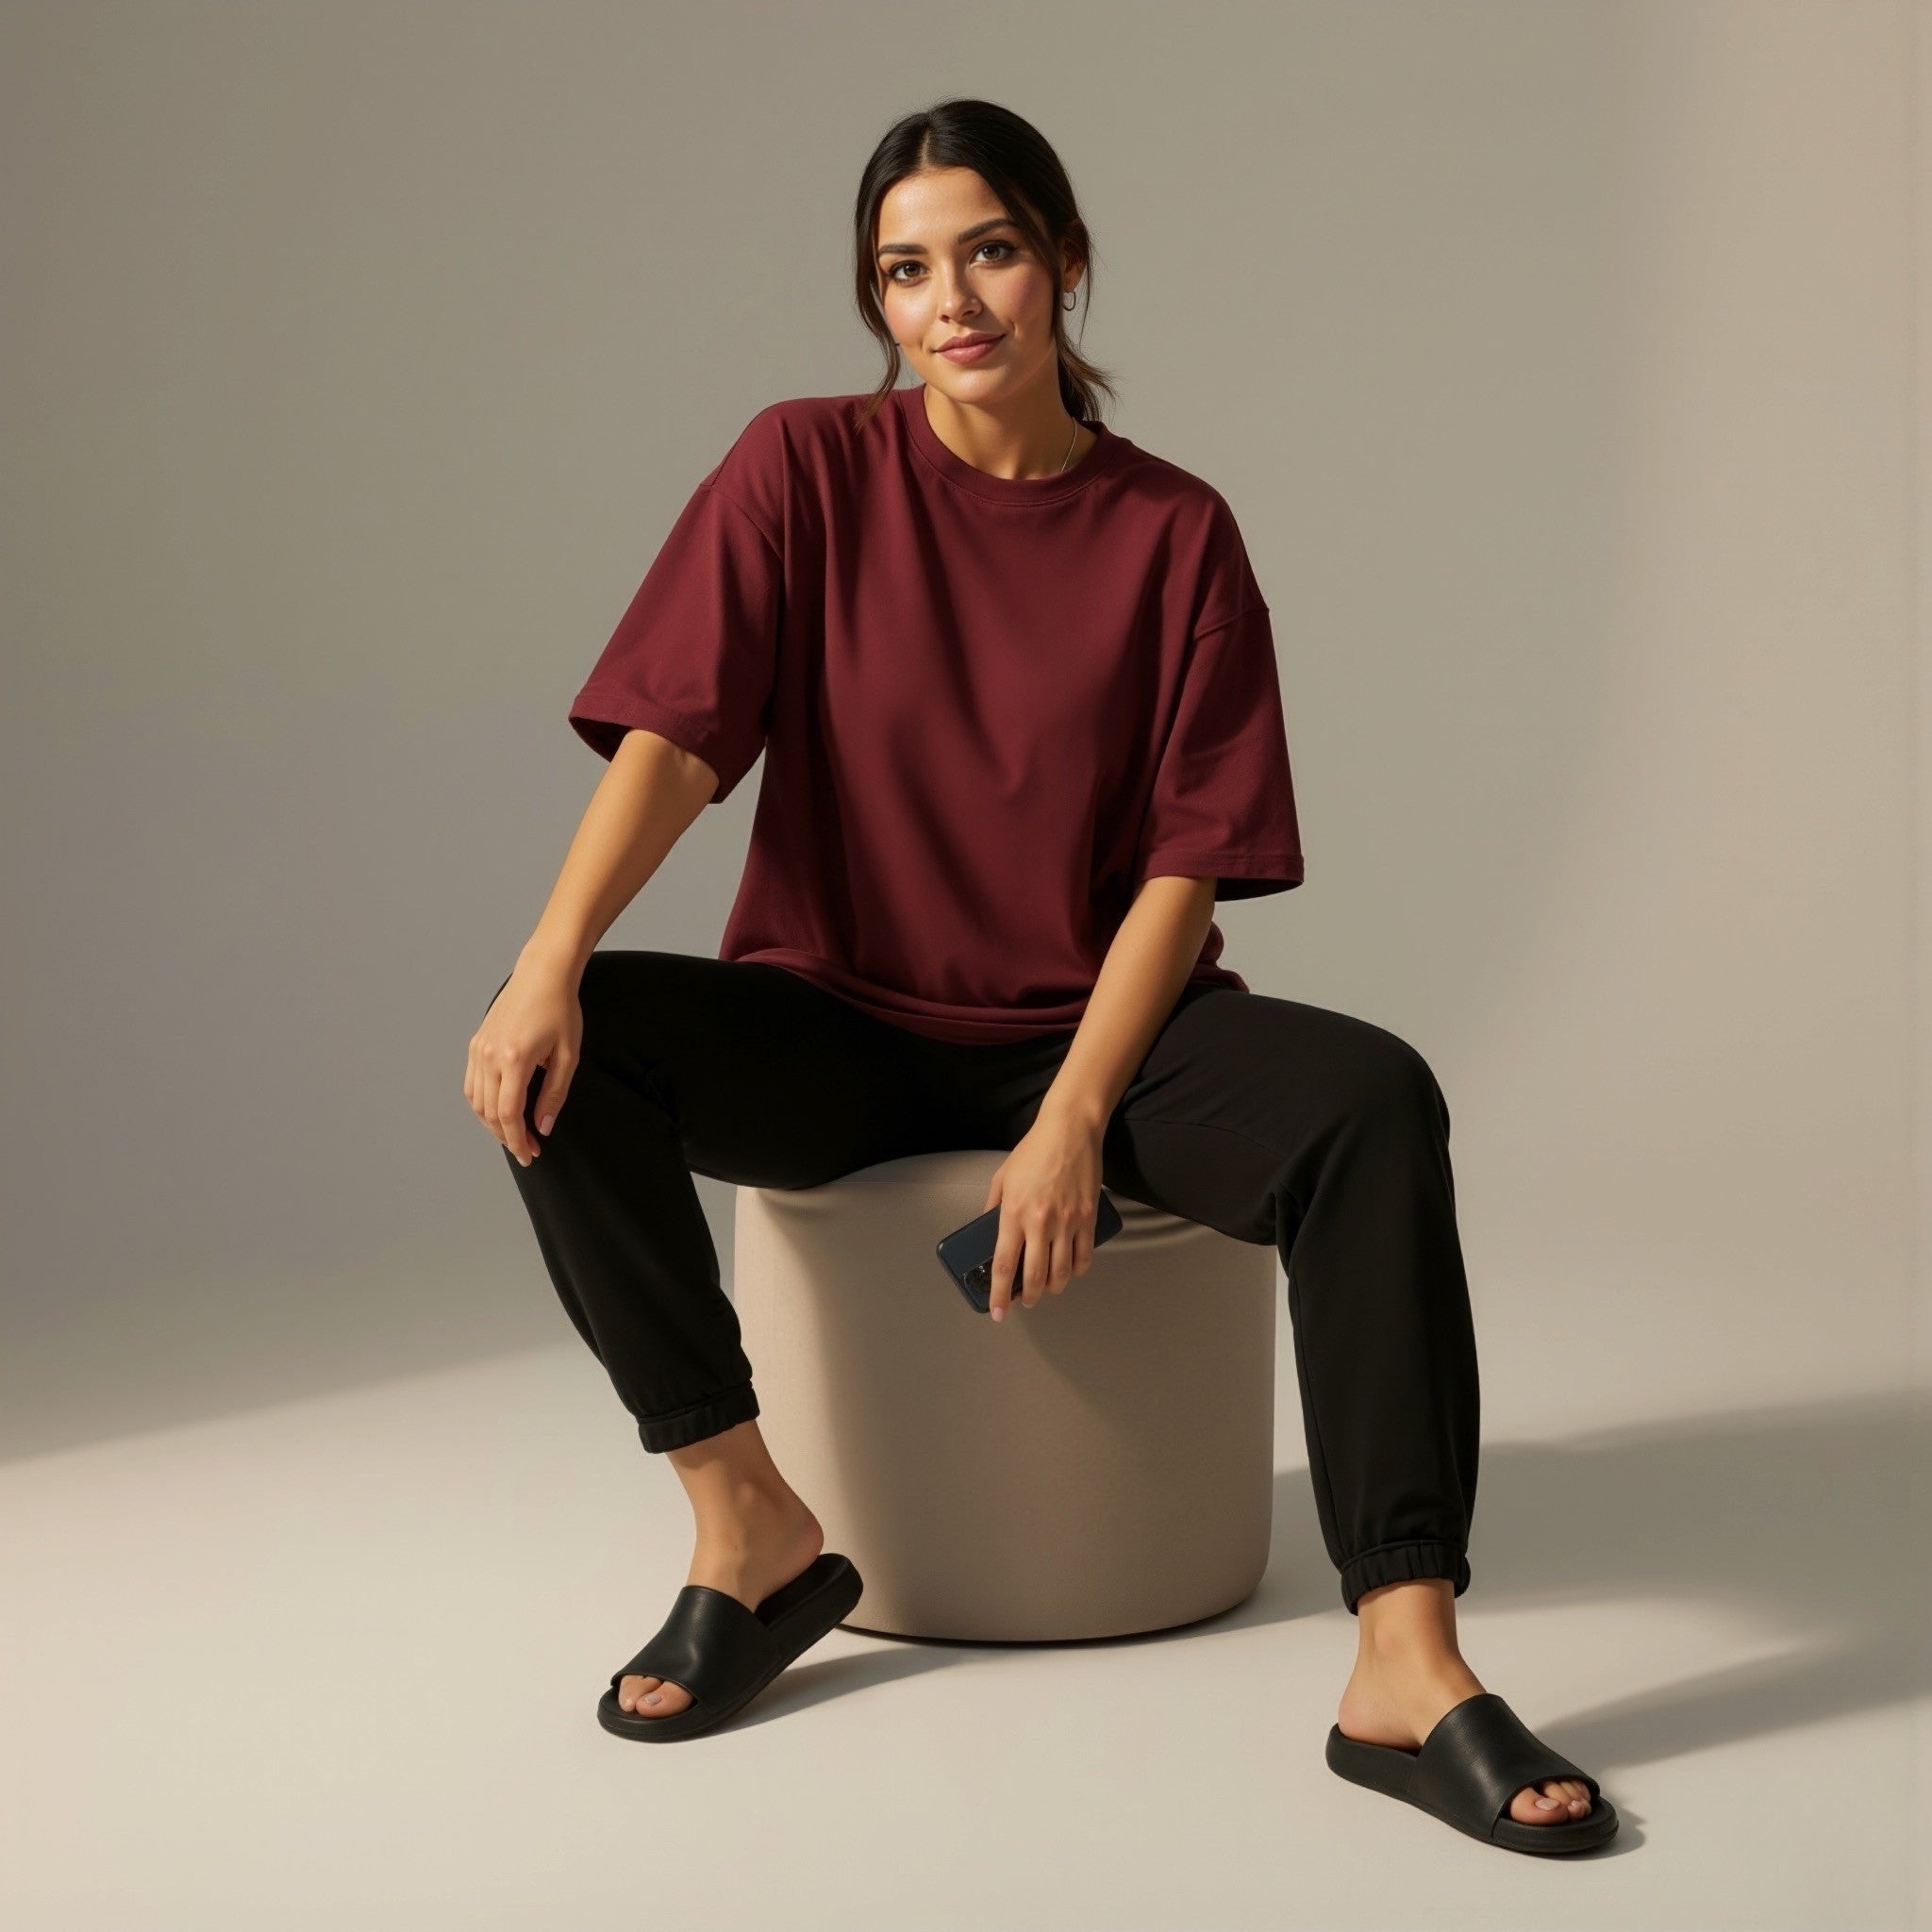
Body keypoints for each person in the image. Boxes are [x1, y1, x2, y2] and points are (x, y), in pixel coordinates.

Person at [463, 97, 1615, 1855]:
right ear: (877, 299)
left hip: (1107, 1036)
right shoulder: (802, 471)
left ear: (1065, 263)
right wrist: (545, 960)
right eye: (904, 270)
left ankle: (1405, 1653)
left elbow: (1186, 861)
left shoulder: (1177, 532)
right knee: (569, 1046)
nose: (951, 302)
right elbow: (679, 739)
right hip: (840, 1023)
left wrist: (1073, 1114)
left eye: (989, 251)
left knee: (1372, 1101)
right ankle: (747, 1526)